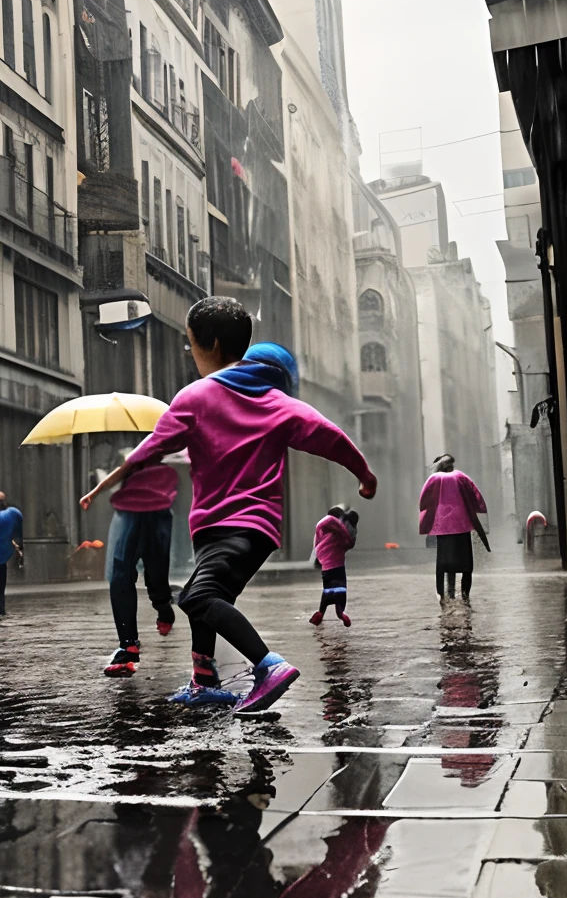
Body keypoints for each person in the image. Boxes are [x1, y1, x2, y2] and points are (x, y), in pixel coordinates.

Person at [83, 298, 376, 714]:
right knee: (207, 596)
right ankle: (204, 681)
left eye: (191, 345)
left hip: (231, 527)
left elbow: (148, 450)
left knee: (196, 597)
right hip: (250, 529)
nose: (191, 353)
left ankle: (268, 665)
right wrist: (364, 474)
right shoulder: (280, 404)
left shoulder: (195, 396)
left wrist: (104, 486)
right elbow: (329, 435)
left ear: (212, 344)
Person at [90, 451, 179, 676]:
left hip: (155, 516)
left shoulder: (163, 464)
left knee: (155, 575)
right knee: (120, 576)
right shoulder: (136, 465)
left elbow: (118, 474)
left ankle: (163, 608)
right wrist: (95, 492)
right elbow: (118, 474)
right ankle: (128, 645)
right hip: (132, 515)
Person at [419, 454, 488, 605]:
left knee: (446, 562)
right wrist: (478, 511)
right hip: (462, 525)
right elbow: (476, 496)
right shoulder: (461, 477)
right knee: (466, 564)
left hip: (443, 527)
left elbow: (424, 500)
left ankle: (448, 595)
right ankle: (465, 596)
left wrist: (428, 517)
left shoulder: (434, 479)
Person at [310, 506, 359, 626]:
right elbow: (348, 542)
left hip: (326, 567)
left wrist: (317, 558)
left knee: (327, 590)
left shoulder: (324, 532)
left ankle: (321, 613)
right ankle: (341, 613)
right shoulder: (337, 531)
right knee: (340, 589)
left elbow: (317, 543)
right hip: (338, 566)